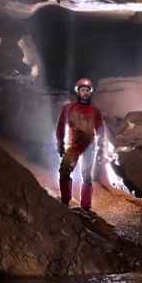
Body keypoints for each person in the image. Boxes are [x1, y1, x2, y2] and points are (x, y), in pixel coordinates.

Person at [55, 77, 105, 209]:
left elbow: (100, 130)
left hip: (89, 146)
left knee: (87, 177)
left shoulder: (95, 111)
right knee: (64, 171)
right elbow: (60, 126)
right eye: (82, 90)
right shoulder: (69, 108)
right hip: (74, 146)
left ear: (90, 92)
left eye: (87, 90)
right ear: (78, 92)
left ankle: (86, 207)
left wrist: (100, 148)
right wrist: (60, 143)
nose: (85, 93)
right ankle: (65, 202)